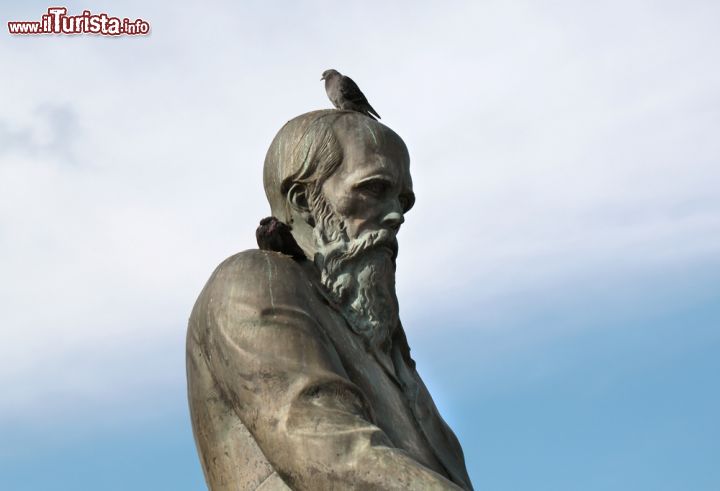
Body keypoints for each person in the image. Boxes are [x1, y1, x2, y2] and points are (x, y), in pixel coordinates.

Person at [186, 110, 474, 490]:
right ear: (304, 200)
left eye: (403, 200)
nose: (396, 216)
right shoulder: (251, 282)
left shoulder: (387, 350)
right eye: (372, 189)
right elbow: (330, 453)